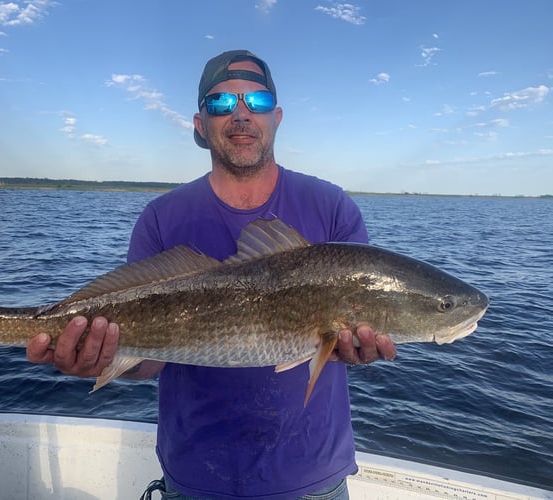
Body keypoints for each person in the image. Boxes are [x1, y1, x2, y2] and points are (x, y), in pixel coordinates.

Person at [27, 50, 397, 500]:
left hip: (312, 478)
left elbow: (347, 341)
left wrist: (357, 349)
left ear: (277, 117)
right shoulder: (162, 217)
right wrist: (101, 358)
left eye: (256, 102)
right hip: (195, 478)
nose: (240, 115)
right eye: (221, 104)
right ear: (200, 124)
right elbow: (148, 360)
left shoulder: (333, 207)